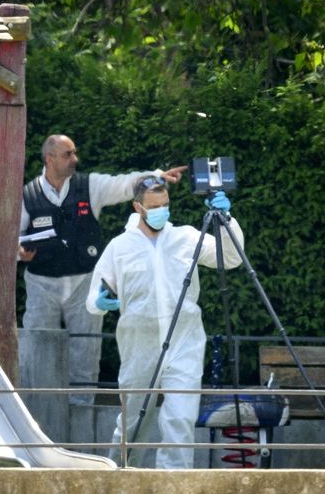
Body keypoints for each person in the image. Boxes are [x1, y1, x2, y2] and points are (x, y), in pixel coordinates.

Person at [86, 173, 243, 468]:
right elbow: (93, 298)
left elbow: (231, 258)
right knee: (133, 422)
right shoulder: (120, 247)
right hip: (139, 347)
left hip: (184, 343)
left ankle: (175, 486)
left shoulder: (185, 238)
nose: (162, 211)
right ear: (138, 207)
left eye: (165, 204)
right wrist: (99, 301)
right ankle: (118, 479)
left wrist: (226, 220)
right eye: (154, 206)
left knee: (180, 420)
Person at [16, 136, 180, 410]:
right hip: (41, 284)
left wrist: (156, 175)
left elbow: (123, 183)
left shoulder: (88, 186)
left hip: (84, 282)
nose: (75, 159)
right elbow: (12, 236)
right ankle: (37, 412)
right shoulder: (27, 194)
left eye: (74, 153)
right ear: (50, 159)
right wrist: (19, 251)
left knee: (86, 352)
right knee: (37, 348)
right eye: (68, 154)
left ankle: (82, 414)